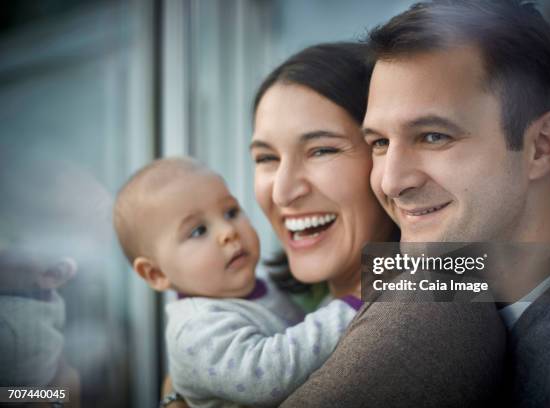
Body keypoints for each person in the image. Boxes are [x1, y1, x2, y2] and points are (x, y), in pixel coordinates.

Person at [283, 1, 550, 407]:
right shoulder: (451, 288)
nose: (391, 181)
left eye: (434, 136)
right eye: (380, 143)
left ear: (541, 147)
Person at [162, 42, 506, 408]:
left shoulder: (428, 306)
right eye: (266, 157)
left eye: (321, 150)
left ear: (384, 157)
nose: (282, 191)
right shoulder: (300, 303)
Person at [113, 157, 365, 407]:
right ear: (156, 273)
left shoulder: (260, 285)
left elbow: (302, 334)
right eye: (198, 231)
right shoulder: (196, 328)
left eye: (231, 212)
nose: (228, 232)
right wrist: (347, 307)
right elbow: (266, 376)